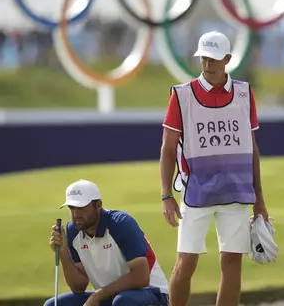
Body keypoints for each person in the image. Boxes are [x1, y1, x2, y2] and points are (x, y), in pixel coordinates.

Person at [159, 31, 269, 306]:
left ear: (228, 59)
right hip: (196, 193)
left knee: (232, 264)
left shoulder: (244, 93)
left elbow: (252, 148)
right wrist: (165, 195)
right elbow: (168, 148)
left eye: (214, 59)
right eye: (203, 58)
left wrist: (260, 201)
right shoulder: (182, 96)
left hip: (236, 192)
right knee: (184, 265)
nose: (207, 65)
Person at [45, 179, 169, 306]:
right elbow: (79, 287)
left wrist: (98, 295)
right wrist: (63, 254)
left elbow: (141, 277)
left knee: (123, 301)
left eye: (82, 208)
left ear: (98, 205)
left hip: (151, 293)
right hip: (110, 296)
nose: (76, 214)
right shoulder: (73, 231)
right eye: (72, 208)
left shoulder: (121, 224)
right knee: (52, 304)